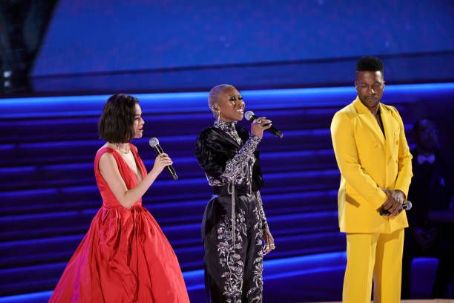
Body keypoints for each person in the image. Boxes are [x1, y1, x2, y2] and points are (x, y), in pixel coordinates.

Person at [49, 94, 189, 302]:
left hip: (141, 225)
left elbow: (138, 192)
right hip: (115, 231)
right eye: (137, 118)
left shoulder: (132, 149)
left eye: (141, 117)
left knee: (161, 279)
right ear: (122, 120)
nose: (143, 123)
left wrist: (153, 172)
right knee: (121, 288)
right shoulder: (105, 156)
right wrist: (155, 171)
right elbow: (125, 200)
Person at [330, 56, 413, 303]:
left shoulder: (392, 114)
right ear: (356, 85)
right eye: (364, 85)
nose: (371, 91)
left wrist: (400, 193)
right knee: (359, 281)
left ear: (383, 84)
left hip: (395, 211)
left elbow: (405, 158)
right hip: (363, 210)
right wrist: (383, 200)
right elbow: (350, 169)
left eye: (376, 85)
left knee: (390, 281)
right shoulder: (344, 118)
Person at [195, 84, 275, 302]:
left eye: (240, 98)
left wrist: (263, 223)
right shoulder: (208, 138)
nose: (240, 103)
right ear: (216, 107)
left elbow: (252, 183)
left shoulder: (243, 134)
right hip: (225, 214)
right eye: (232, 99)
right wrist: (254, 140)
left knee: (253, 286)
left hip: (251, 214)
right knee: (228, 285)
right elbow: (227, 174)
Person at [402, 119, 454, 298]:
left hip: (441, 230)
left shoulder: (448, 164)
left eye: (434, 130)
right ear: (415, 136)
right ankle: (401, 298)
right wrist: (415, 226)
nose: (431, 135)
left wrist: (435, 225)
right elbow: (400, 199)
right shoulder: (403, 164)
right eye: (425, 130)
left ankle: (439, 298)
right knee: (396, 246)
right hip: (410, 228)